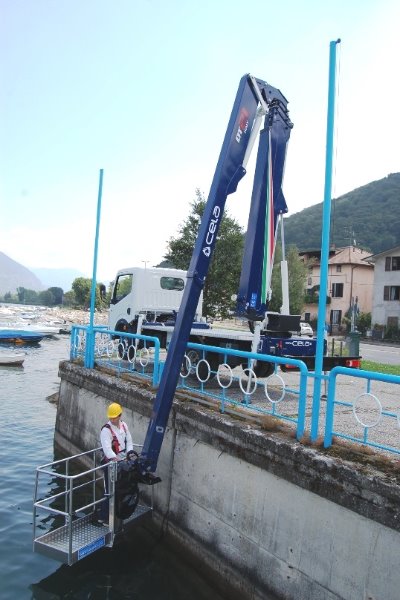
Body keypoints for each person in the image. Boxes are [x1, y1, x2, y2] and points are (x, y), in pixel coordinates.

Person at [97, 402, 134, 523]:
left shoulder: (124, 426)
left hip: (123, 462)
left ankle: (117, 513)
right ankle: (103, 517)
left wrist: (129, 454)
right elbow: (107, 449)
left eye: (114, 417)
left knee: (121, 489)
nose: (112, 419)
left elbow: (129, 441)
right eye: (110, 417)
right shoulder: (106, 431)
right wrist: (117, 460)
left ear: (120, 415)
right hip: (111, 464)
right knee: (110, 491)